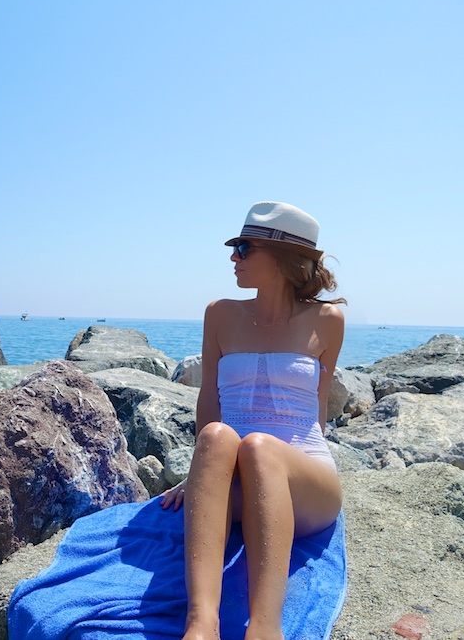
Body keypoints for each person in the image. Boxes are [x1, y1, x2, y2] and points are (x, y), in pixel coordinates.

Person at [159, 201, 346, 640]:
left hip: (303, 483)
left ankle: (264, 629)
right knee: (217, 436)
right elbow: (209, 397)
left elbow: (318, 404)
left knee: (259, 446)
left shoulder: (328, 320)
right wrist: (200, 474)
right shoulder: (220, 313)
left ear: (283, 257)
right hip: (236, 481)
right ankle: (201, 624)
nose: (233, 257)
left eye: (244, 248)